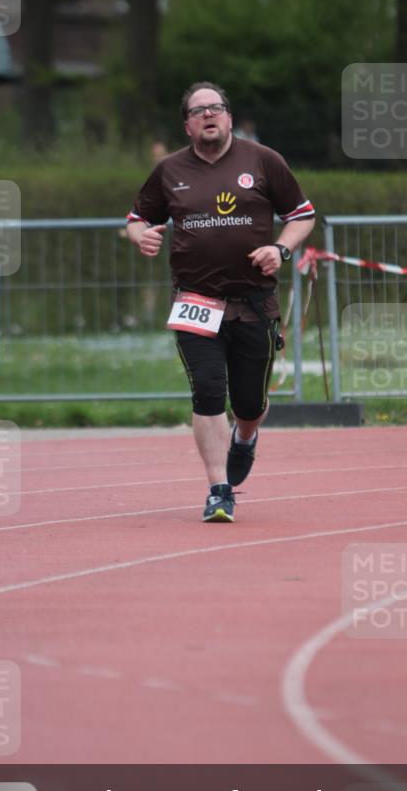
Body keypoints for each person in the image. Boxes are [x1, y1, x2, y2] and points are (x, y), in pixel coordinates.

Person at [126, 82, 315, 523]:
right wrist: (143, 236)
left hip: (253, 303)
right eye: (198, 110)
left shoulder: (264, 161)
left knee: (249, 403)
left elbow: (302, 215)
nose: (208, 115)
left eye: (216, 108)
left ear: (229, 117)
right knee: (208, 393)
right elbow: (137, 219)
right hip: (195, 300)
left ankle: (245, 438)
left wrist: (281, 250)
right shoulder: (169, 170)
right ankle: (218, 489)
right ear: (188, 125)